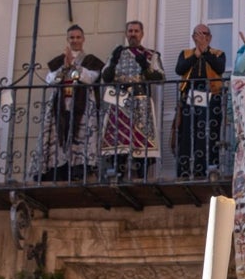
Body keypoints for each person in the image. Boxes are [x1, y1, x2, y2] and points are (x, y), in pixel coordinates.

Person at [101, 20, 165, 179]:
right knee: (118, 139)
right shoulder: (116, 54)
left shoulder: (151, 55)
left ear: (142, 34)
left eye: (136, 31)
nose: (133, 34)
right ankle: (118, 173)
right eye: (130, 31)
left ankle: (142, 174)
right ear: (126, 34)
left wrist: (145, 67)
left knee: (141, 140)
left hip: (140, 101)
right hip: (119, 101)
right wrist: (114, 62)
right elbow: (106, 78)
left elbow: (161, 78)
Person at [42, 24, 105, 181]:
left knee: (82, 139)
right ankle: (59, 171)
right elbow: (50, 80)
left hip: (83, 107)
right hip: (61, 106)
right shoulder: (59, 61)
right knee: (58, 139)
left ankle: (79, 170)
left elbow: (90, 78)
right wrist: (65, 66)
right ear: (67, 39)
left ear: (83, 39)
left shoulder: (91, 60)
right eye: (72, 37)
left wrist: (74, 65)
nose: (75, 40)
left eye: (78, 37)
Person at [174, 24, 226, 179]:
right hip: (189, 98)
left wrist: (205, 51)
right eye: (198, 34)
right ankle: (185, 171)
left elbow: (220, 67)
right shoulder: (186, 54)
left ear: (209, 37)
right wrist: (196, 54)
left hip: (211, 99)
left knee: (209, 135)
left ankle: (208, 169)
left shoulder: (218, 53)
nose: (202, 37)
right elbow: (180, 69)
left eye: (205, 34)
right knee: (187, 135)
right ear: (193, 37)